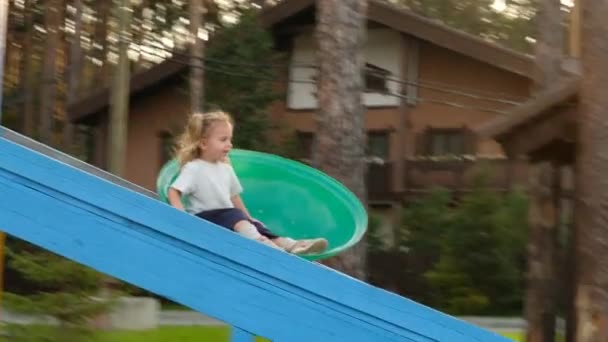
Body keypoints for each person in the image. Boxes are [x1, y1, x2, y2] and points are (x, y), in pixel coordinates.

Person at [167, 111, 328, 255]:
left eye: (230, 139)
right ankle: (266, 246)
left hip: (227, 218)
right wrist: (182, 216)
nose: (229, 144)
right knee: (236, 216)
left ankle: (292, 245)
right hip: (205, 220)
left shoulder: (225, 169)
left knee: (252, 223)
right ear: (203, 143)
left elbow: (234, 196)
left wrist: (249, 218)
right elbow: (173, 191)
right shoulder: (194, 168)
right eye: (223, 140)